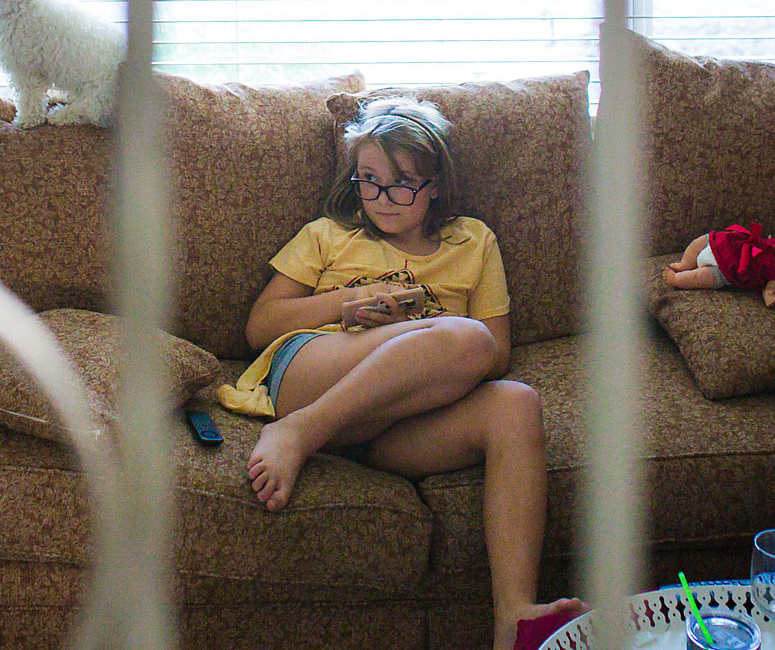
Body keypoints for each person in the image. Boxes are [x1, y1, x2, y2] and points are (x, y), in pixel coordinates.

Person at [215, 95, 583, 650]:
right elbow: (260, 325)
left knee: (515, 400)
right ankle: (299, 431)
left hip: (397, 422)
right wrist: (348, 303)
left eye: (403, 182)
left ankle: (514, 615)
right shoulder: (328, 236)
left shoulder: (474, 241)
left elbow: (496, 353)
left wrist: (419, 329)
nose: (382, 199)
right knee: (466, 336)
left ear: (436, 184)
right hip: (315, 373)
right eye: (368, 180)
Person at [662, 222, 775, 307]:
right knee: (700, 241)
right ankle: (685, 263)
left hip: (728, 270)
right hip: (729, 244)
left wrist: (770, 296)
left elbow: (770, 291)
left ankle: (678, 279)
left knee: (703, 277)